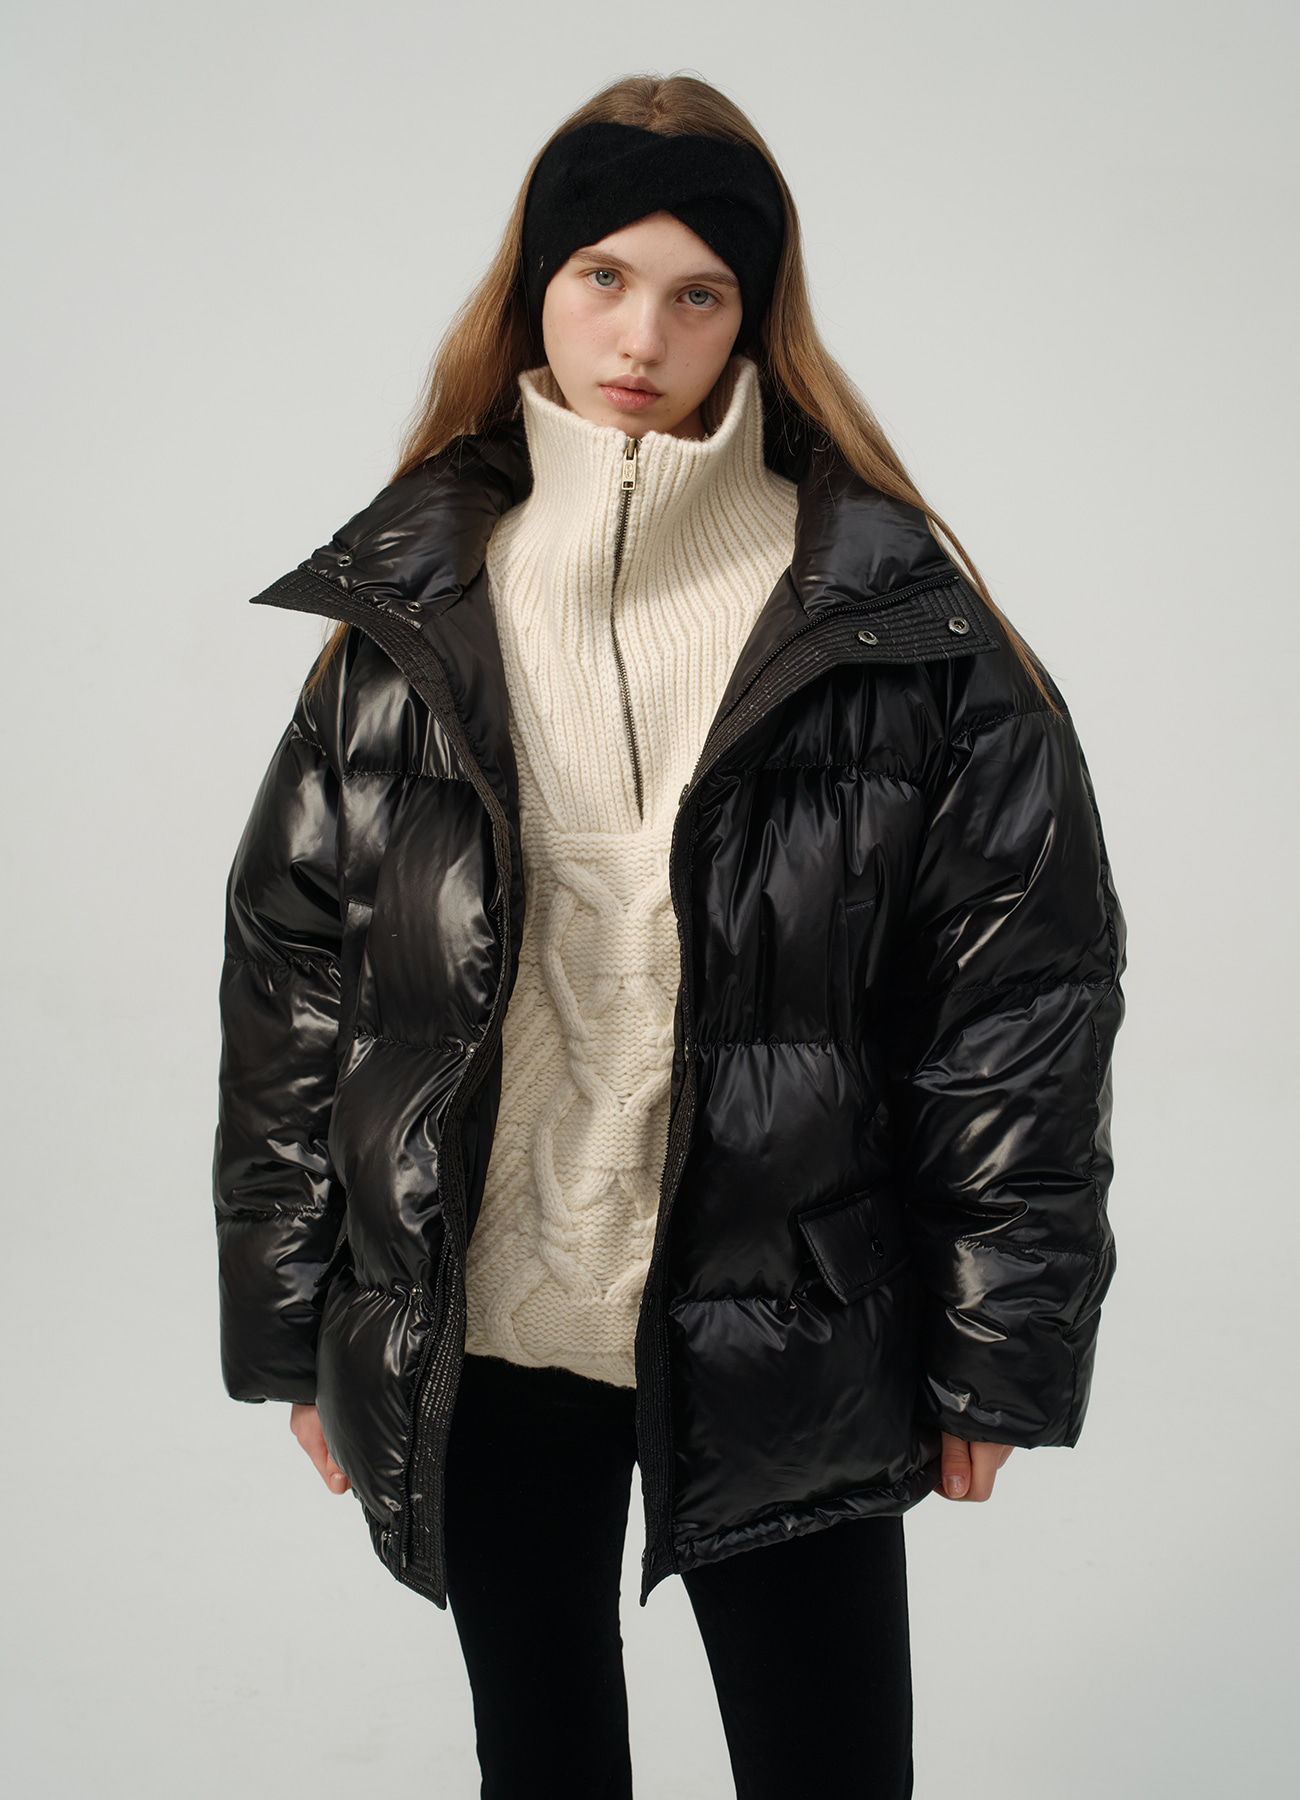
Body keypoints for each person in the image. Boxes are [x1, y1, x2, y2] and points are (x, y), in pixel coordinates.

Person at [213, 72, 1124, 1800]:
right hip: (487, 1324)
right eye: (604, 277)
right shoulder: (410, 612)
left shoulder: (896, 622)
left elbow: (1018, 1004)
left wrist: (999, 1346)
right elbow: (295, 985)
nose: (643, 335)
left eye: (699, 292)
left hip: (787, 1325)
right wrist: (290, 1321)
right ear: (537, 286)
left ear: (754, 316)